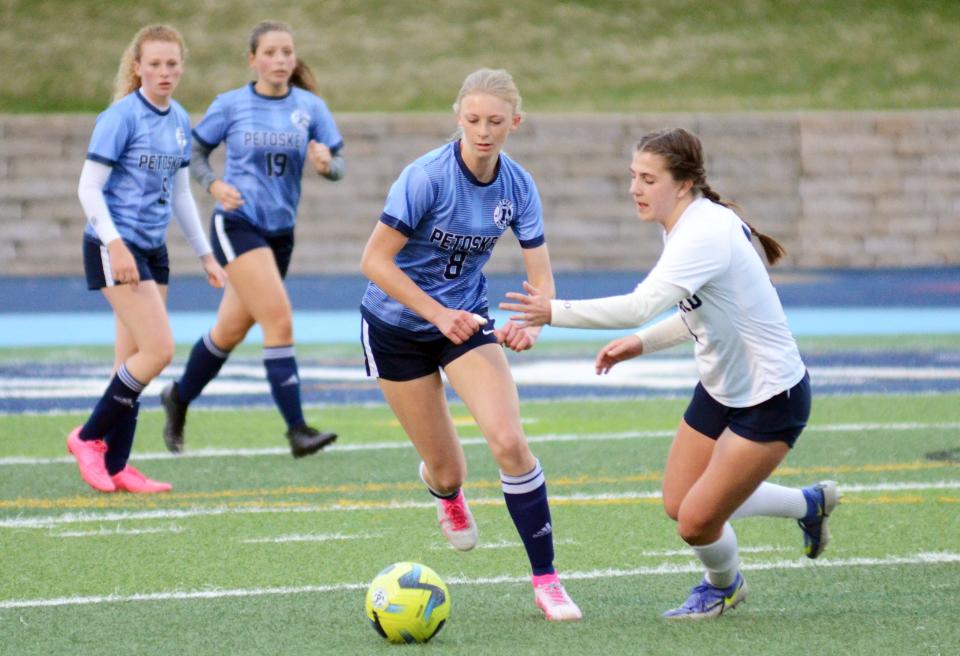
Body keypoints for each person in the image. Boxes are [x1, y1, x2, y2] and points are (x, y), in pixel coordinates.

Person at [501, 127, 840, 619]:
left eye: (648, 179)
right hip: (721, 389)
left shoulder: (704, 232)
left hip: (771, 398)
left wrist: (551, 311)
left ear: (683, 184)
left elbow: (640, 304)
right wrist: (642, 344)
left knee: (696, 523)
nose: (635, 189)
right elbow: (703, 312)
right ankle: (808, 505)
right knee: (679, 501)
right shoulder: (687, 224)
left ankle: (723, 586)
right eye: (633, 176)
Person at [359, 68, 581, 622]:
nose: (484, 131)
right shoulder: (425, 177)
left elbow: (542, 278)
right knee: (449, 470)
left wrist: (534, 320)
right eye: (474, 119)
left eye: (496, 122)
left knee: (508, 440)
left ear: (515, 124)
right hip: (397, 329)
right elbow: (374, 262)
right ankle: (446, 495)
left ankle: (547, 580)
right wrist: (436, 313)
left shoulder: (518, 186)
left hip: (466, 322)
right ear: (459, 117)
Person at [160, 21, 344, 458]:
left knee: (229, 330)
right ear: (253, 59)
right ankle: (298, 430)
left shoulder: (310, 108)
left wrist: (325, 164)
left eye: (287, 52)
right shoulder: (232, 104)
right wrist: (213, 186)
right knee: (278, 319)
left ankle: (178, 397)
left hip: (281, 234)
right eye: (271, 52)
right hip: (237, 223)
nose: (280, 60)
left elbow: (338, 165)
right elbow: (193, 154)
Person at [71, 25, 227, 494]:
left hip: (154, 253)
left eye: (172, 64)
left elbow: (180, 192)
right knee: (159, 351)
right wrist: (115, 245)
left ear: (181, 67)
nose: (164, 72)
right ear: (137, 66)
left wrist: (205, 254)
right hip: (114, 247)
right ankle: (88, 437)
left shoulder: (179, 118)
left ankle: (117, 466)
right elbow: (88, 187)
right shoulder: (121, 117)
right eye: (155, 64)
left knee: (131, 360)